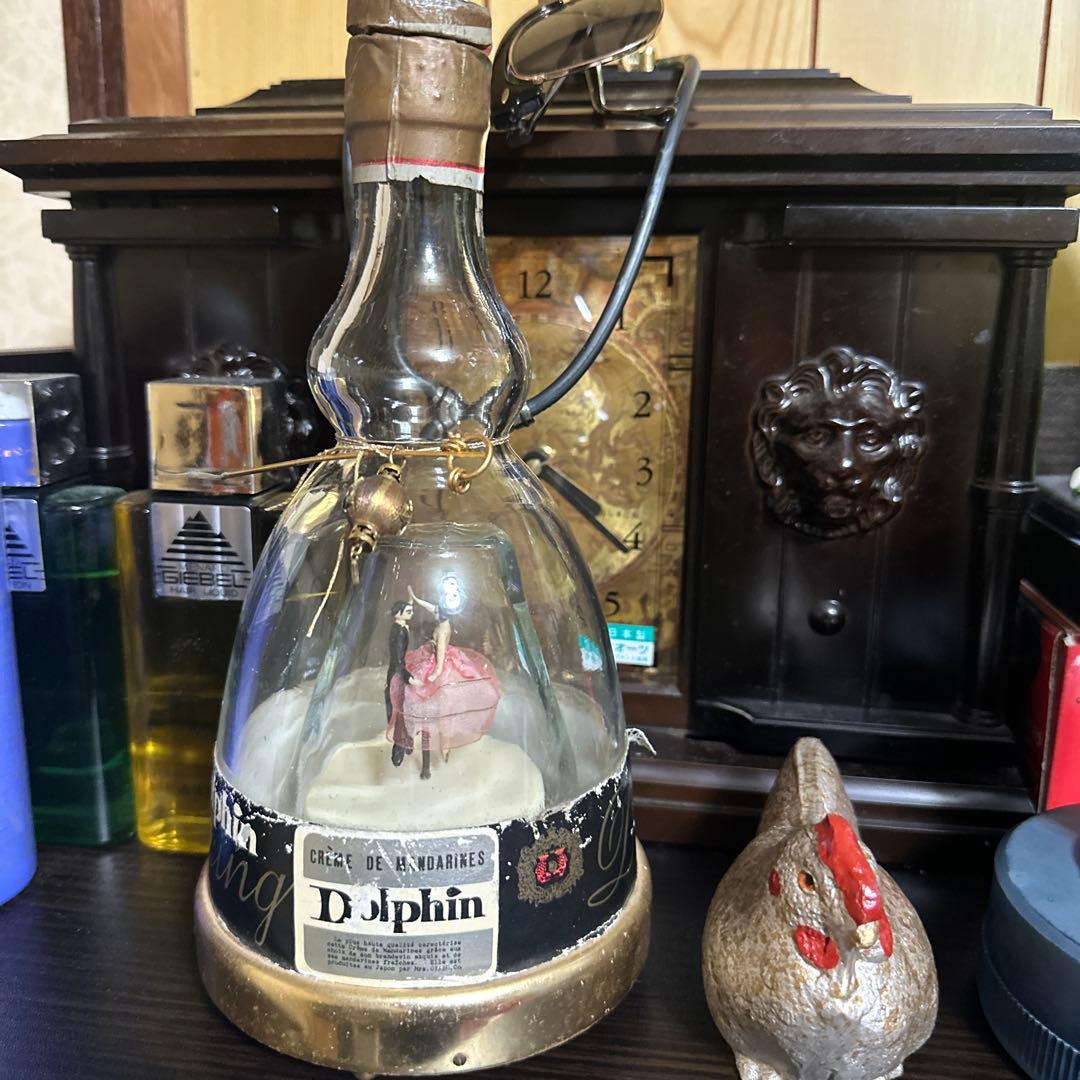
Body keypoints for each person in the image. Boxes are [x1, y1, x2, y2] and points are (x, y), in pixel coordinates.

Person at [386, 577, 501, 780]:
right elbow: (430, 607)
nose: (435, 612)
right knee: (421, 706)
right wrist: (415, 598)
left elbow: (440, 659)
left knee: (438, 710)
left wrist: (435, 674)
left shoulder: (443, 629)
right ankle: (415, 742)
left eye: (438, 610)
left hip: (440, 667)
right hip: (433, 659)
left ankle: (440, 749)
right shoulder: (441, 617)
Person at [385, 600, 414, 767]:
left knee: (404, 709)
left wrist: (410, 601)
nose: (412, 612)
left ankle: (406, 741)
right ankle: (399, 749)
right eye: (408, 611)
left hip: (398, 672)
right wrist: (408, 677)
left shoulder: (400, 627)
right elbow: (397, 659)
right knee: (399, 712)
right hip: (397, 674)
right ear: (398, 613)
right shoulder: (398, 632)